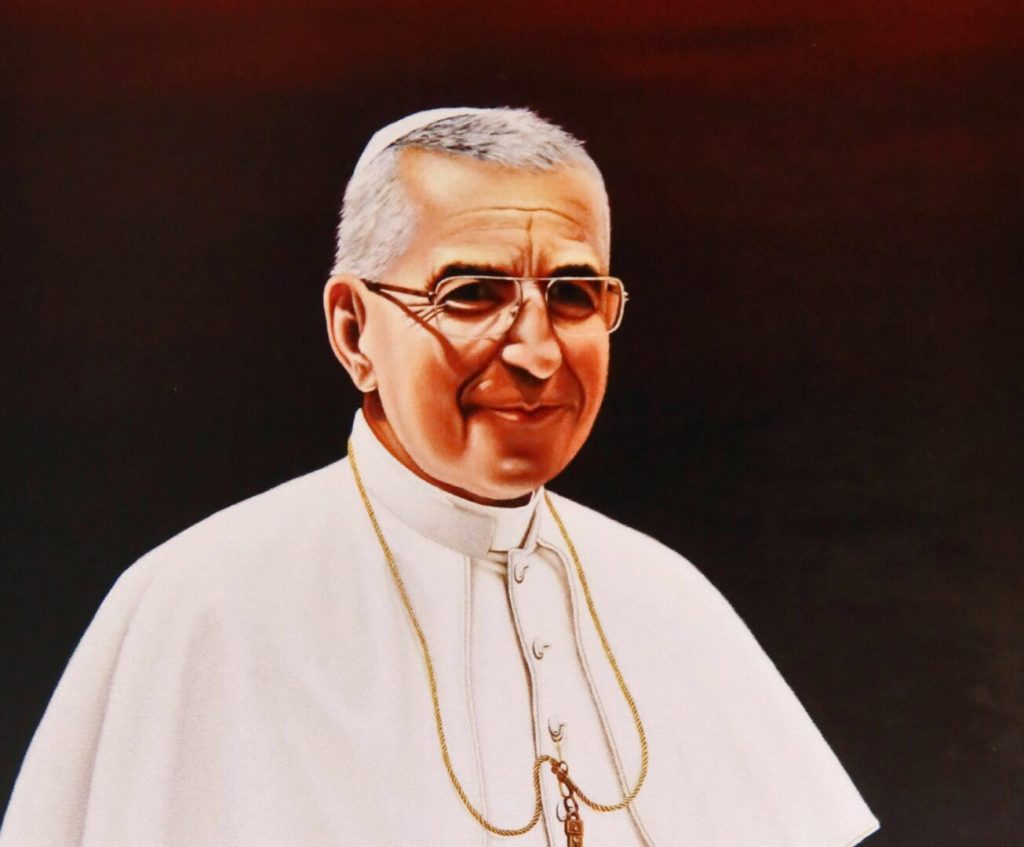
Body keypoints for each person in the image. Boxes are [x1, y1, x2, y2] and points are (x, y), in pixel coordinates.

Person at [1, 108, 879, 847]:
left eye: (573, 295)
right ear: (354, 331)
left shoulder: (669, 595)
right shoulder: (201, 608)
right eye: (471, 294)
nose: (536, 352)